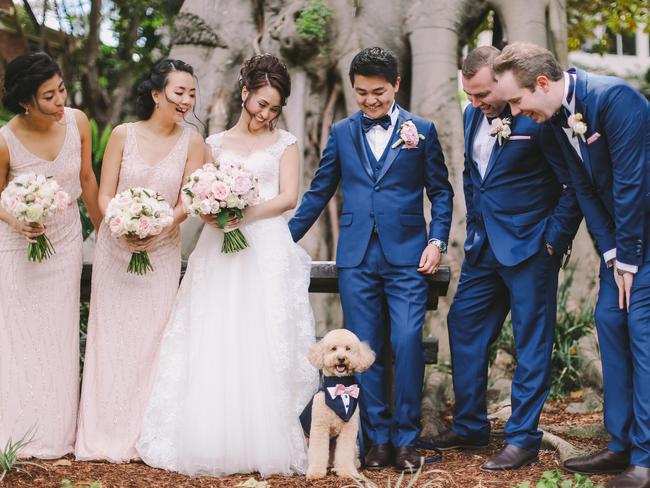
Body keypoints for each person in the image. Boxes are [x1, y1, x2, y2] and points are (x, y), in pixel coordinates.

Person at [136, 53, 318, 476]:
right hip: (220, 248)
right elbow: (198, 196)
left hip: (266, 248)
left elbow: (289, 197)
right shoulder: (212, 144)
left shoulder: (286, 144)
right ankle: (212, 437)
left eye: (274, 108)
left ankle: (263, 439)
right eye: (260, 104)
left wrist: (245, 213)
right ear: (244, 93)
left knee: (263, 336)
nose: (265, 114)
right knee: (216, 333)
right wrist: (216, 212)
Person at [289, 47, 454, 471]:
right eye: (362, 93)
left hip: (408, 258)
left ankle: (406, 439)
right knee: (365, 350)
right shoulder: (343, 132)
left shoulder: (423, 130)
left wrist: (437, 241)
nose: (370, 101)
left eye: (378, 92)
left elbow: (441, 192)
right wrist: (285, 238)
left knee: (405, 342)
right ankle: (376, 440)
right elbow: (320, 188)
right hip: (357, 257)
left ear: (396, 85)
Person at [494, 42, 650, 488]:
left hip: (644, 239)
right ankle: (620, 444)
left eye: (518, 101)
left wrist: (632, 261)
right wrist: (612, 254)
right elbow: (583, 190)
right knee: (609, 322)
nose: (517, 112)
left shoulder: (615, 99)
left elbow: (632, 186)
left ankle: (646, 455)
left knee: (641, 332)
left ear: (542, 83)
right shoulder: (554, 122)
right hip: (621, 247)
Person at [428, 46, 581, 471]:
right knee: (463, 325)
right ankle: (471, 425)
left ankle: (523, 437)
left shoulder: (537, 116)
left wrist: (552, 240)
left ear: (503, 80)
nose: (475, 103)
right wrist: (474, 226)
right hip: (483, 250)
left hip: (532, 249)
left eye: (481, 94)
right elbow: (473, 176)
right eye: (468, 95)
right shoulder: (471, 114)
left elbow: (571, 183)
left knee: (532, 342)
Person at [75, 59, 204, 462]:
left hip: (162, 251)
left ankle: (143, 436)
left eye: (191, 93)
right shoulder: (122, 134)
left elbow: (189, 199)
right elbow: (103, 192)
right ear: (155, 94)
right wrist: (122, 223)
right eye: (178, 92)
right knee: (110, 342)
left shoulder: (193, 141)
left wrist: (161, 223)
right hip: (116, 250)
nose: (186, 100)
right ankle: (100, 435)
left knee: (152, 344)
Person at [0, 52, 101, 458]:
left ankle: (55, 435)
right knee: (18, 337)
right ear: (26, 101)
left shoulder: (77, 122)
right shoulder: (5, 140)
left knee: (57, 336)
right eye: (49, 96)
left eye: (61, 89)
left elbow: (87, 179)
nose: (61, 101)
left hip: (64, 242)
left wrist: (108, 232)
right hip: (16, 246)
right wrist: (15, 221)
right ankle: (13, 430)